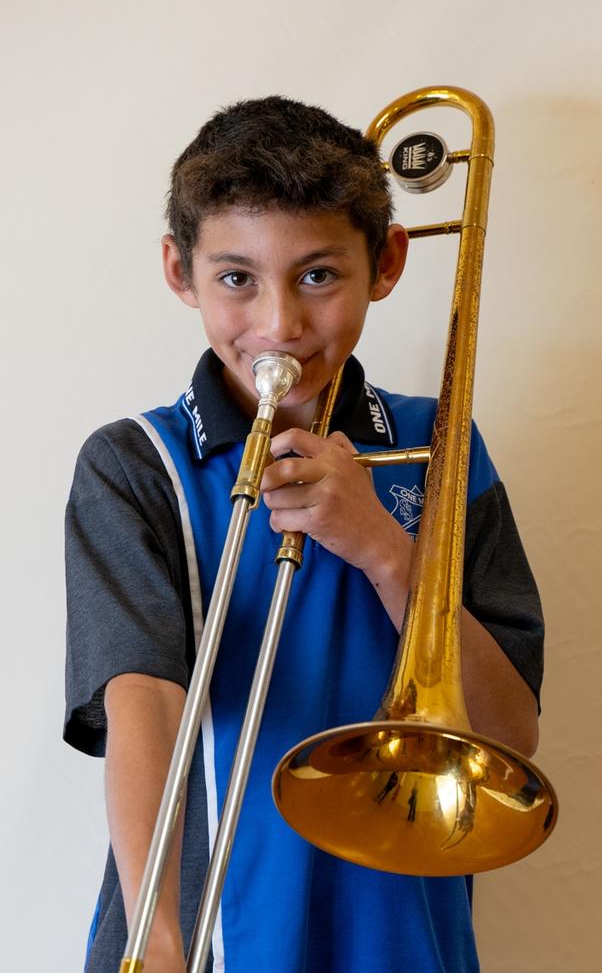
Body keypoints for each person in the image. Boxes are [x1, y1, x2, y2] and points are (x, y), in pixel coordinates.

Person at [64, 96, 544, 973]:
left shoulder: (440, 447)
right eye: (237, 277)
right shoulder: (136, 465)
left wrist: (379, 545)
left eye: (319, 275)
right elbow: (145, 704)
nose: (279, 324)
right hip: (199, 933)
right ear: (180, 271)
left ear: (386, 261)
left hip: (402, 933)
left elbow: (510, 737)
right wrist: (156, 937)